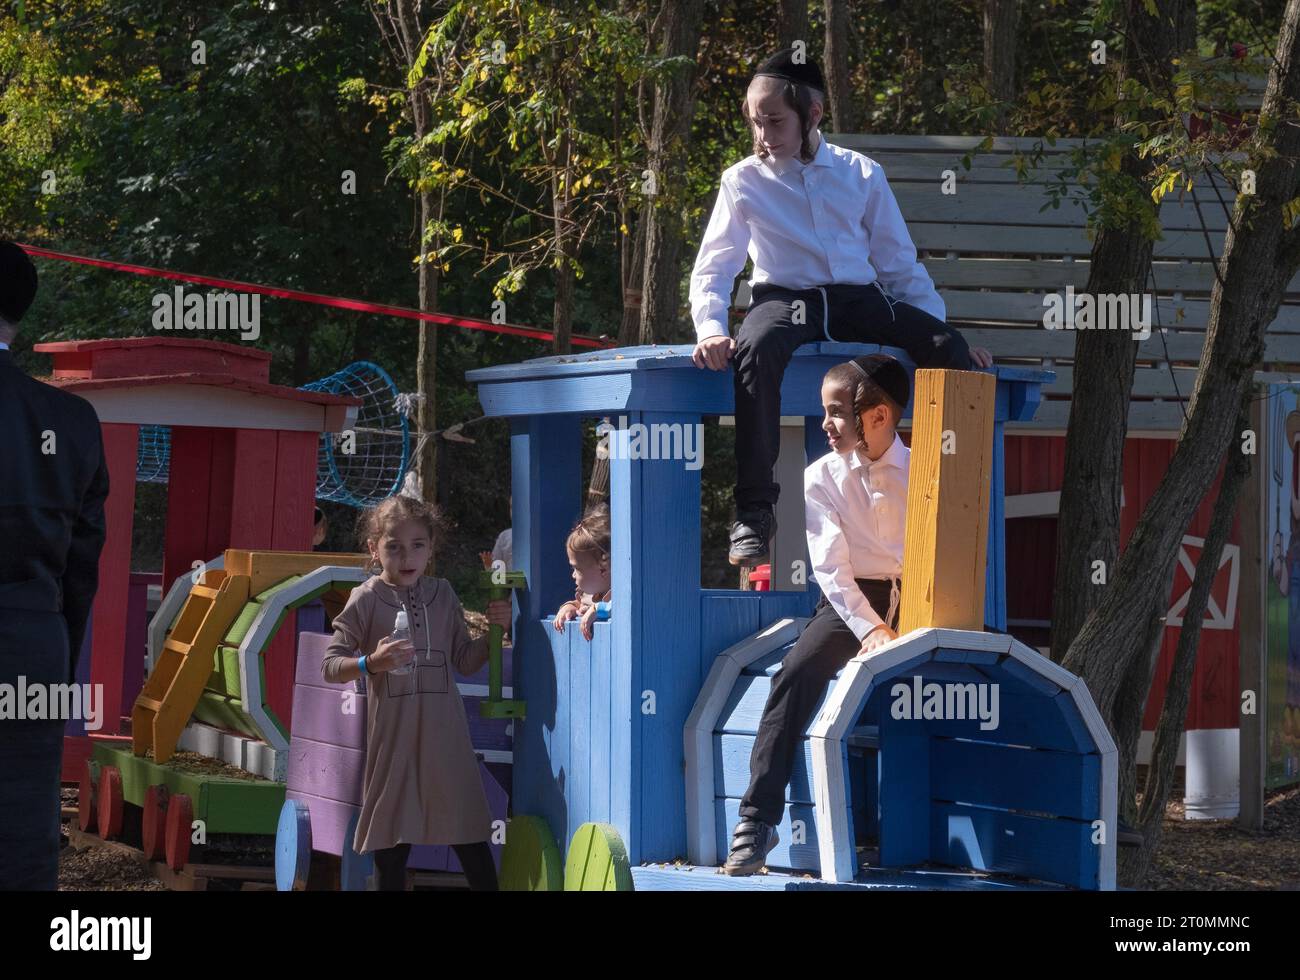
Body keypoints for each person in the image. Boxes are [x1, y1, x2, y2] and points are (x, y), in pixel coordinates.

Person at [689, 48, 991, 566]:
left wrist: (946, 335)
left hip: (857, 299)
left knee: (948, 347)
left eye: (775, 121)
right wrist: (710, 328)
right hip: (783, 300)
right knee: (755, 350)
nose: (763, 135)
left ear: (813, 115)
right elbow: (715, 267)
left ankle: (946, 496)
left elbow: (899, 266)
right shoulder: (742, 180)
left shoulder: (861, 174)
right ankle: (753, 513)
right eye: (755, 123)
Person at [724, 354, 909, 875]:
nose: (825, 424)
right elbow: (830, 567)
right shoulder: (820, 475)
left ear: (876, 417)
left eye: (835, 412)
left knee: (987, 660)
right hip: (851, 599)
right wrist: (870, 626)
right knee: (796, 671)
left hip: (918, 592)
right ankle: (756, 821)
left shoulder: (922, 469)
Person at [321, 494, 511, 890]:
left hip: (447, 740)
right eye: (394, 547)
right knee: (392, 845)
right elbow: (330, 666)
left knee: (470, 835)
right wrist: (371, 663)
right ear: (375, 550)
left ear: (431, 548)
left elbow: (464, 660)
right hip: (394, 742)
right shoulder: (366, 599)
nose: (406, 557)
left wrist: (495, 628)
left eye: (417, 546)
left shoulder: (443, 594)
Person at [0, 241, 109, 889]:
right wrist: (55, 662)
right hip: (32, 642)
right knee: (21, 828)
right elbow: (81, 569)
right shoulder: (71, 420)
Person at [552, 502, 611, 642]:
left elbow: (619, 609)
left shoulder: (618, 596)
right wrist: (569, 607)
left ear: (603, 569)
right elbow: (579, 605)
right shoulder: (589, 595)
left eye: (576, 569)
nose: (572, 575)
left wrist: (597, 609)